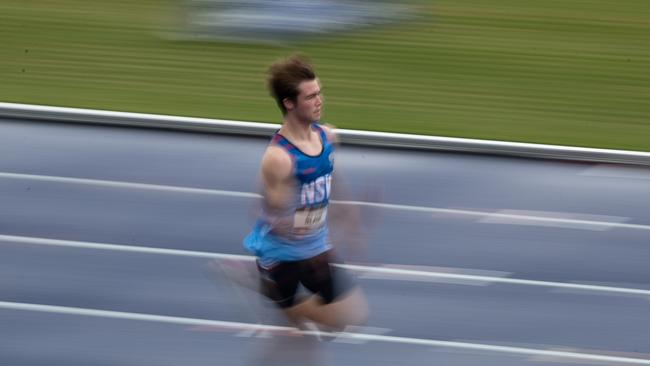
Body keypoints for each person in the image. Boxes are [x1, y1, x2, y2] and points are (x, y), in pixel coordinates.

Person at [242, 55, 368, 332]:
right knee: (343, 318)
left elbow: (331, 177)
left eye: (319, 93)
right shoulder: (279, 158)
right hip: (284, 255)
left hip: (315, 246)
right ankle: (262, 284)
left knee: (329, 329)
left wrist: (350, 215)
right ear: (289, 103)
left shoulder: (327, 136)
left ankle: (280, 299)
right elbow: (269, 217)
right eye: (310, 96)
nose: (319, 101)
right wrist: (310, 239)